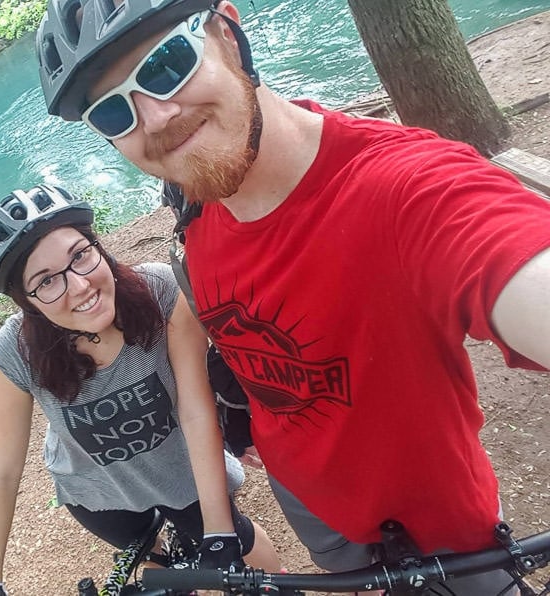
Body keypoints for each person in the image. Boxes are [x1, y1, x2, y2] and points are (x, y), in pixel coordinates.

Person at [34, 1, 550, 594]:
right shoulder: (198, 204)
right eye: (112, 112)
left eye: (166, 63)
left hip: (447, 534)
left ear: (228, 31)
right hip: (317, 513)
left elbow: (510, 254)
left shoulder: (405, 190)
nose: (155, 117)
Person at [0, 184, 280, 595]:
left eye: (79, 255)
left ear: (98, 245)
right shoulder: (16, 352)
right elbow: (2, 472)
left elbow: (193, 408)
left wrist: (219, 532)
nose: (79, 287)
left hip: (180, 473)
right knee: (159, 563)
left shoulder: (161, 293)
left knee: (252, 559)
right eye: (45, 282)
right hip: (98, 493)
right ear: (26, 301)